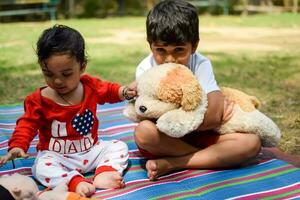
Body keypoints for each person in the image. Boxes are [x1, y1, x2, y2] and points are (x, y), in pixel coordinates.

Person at [0, 24, 136, 197]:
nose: (57, 81)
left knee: (119, 146)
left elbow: (109, 90)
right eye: (48, 74)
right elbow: (27, 124)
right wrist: (18, 145)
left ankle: (104, 172)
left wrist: (124, 91)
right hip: (57, 157)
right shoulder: (39, 100)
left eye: (66, 74)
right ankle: (73, 181)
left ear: (82, 66)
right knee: (41, 167)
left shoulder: (89, 86)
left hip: (91, 151)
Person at [134, 0, 262, 181]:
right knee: (143, 132)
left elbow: (215, 116)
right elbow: (147, 117)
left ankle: (174, 163)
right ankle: (212, 157)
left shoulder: (201, 63)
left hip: (200, 134)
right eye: (161, 50)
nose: (170, 59)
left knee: (251, 143)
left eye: (179, 50)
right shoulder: (145, 68)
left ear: (194, 46)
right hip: (167, 140)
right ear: (150, 45)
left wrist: (206, 117)